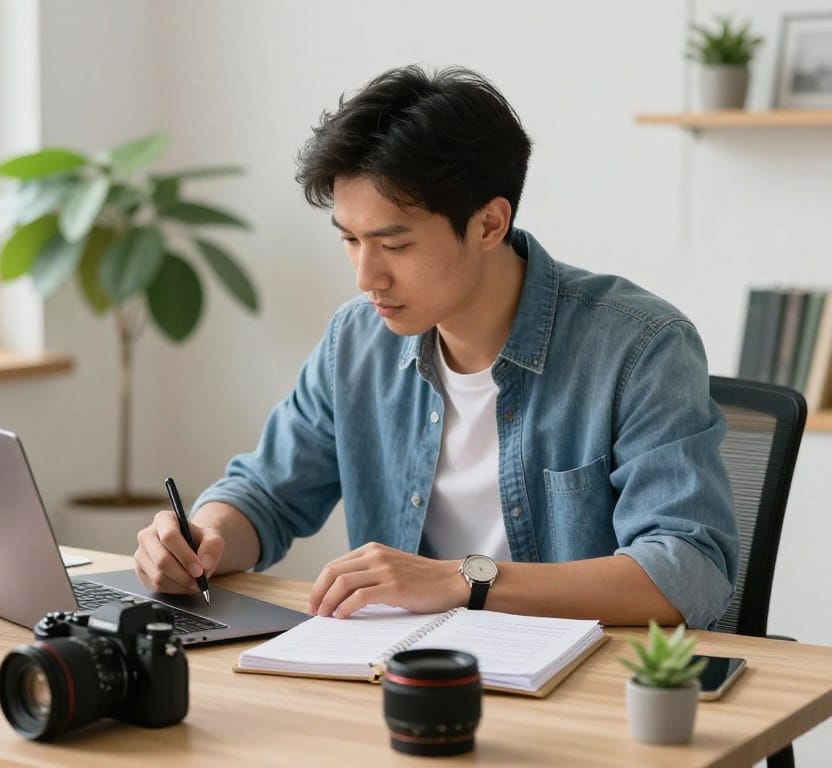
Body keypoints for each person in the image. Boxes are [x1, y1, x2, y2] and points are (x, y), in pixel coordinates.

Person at [135, 65, 738, 629]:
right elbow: (266, 494)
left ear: (488, 225)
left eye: (394, 246)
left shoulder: (639, 348)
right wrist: (201, 538)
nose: (366, 277)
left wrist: (462, 581)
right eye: (350, 239)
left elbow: (689, 571)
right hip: (399, 676)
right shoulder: (357, 341)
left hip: (581, 691)